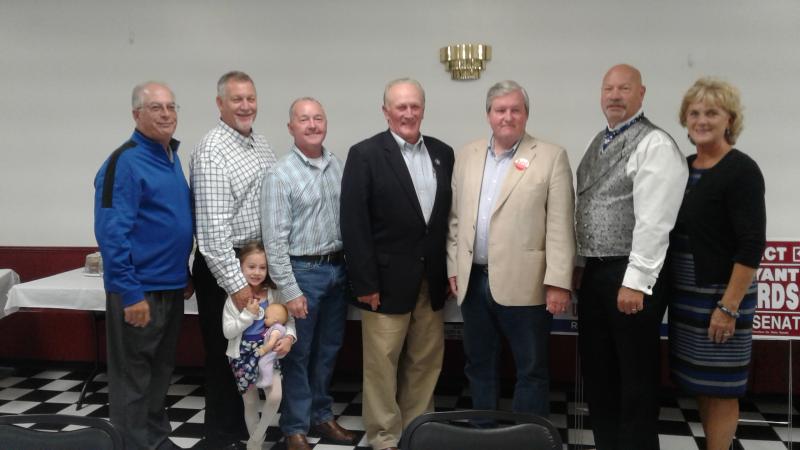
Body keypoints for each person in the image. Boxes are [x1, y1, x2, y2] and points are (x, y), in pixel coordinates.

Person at [575, 64, 688, 450]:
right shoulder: (599, 140)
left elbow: (655, 222)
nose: (614, 95)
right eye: (608, 88)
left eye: (624, 88)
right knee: (600, 377)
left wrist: (635, 282)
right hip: (596, 274)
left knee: (634, 383)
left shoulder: (654, 143)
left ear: (642, 93)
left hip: (631, 277)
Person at [446, 80, 575, 417]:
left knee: (531, 370)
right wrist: (452, 268)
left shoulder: (550, 157)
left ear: (526, 115)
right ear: (488, 115)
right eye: (500, 110)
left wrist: (559, 282)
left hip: (528, 285)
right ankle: (483, 435)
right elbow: (456, 220)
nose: (507, 116)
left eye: (515, 110)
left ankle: (524, 438)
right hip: (474, 282)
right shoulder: (468, 155)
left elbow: (561, 226)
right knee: (479, 365)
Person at [340, 78, 454, 450]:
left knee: (425, 362)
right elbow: (354, 225)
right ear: (385, 110)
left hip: (430, 281)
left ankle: (417, 430)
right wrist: (365, 283)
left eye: (414, 106)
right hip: (383, 284)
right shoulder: (365, 154)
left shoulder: (443, 153)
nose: (408, 113)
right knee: (382, 366)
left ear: (424, 109)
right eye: (400, 106)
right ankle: (385, 437)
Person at [94, 81, 193, 449]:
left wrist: (182, 273)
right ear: (137, 114)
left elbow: (169, 222)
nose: (166, 114)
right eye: (156, 108)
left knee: (159, 373)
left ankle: (156, 439)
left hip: (169, 286)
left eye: (171, 106)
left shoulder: (170, 156)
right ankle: (132, 444)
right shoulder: (124, 162)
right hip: (139, 291)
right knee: (132, 378)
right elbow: (111, 233)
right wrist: (130, 292)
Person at [668, 78, 766, 450]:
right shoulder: (685, 165)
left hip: (722, 297)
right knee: (700, 385)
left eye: (711, 112)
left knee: (723, 389)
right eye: (694, 113)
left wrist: (728, 307)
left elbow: (752, 244)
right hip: (687, 297)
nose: (701, 120)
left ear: (730, 119)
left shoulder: (741, 170)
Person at [191, 70, 287, 449]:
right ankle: (221, 436)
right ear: (220, 104)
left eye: (250, 98)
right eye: (236, 99)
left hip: (255, 263)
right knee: (224, 354)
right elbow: (213, 235)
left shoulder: (260, 143)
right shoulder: (213, 151)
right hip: (226, 267)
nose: (246, 105)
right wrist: (237, 287)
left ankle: (247, 433)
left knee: (251, 348)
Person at [261, 97, 356, 450]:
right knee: (298, 353)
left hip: (336, 269)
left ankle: (321, 414)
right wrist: (289, 290)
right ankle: (295, 427)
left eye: (318, 118)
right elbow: (274, 240)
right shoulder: (280, 173)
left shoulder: (336, 164)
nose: (313, 125)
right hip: (303, 273)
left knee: (329, 349)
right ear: (291, 127)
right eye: (304, 119)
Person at [222, 242, 296, 450]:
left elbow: (288, 321)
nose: (257, 272)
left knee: (275, 395)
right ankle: (257, 446)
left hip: (268, 352)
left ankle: (255, 438)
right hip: (242, 354)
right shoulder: (234, 298)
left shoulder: (274, 294)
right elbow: (228, 332)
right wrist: (248, 315)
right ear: (241, 267)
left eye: (262, 268)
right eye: (251, 267)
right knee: (251, 402)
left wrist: (289, 338)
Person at [256, 303, 290, 389]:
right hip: (273, 351)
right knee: (266, 364)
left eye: (266, 318)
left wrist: (263, 350)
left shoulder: (276, 330)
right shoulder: (277, 327)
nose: (264, 320)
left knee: (262, 362)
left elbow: (271, 343)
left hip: (272, 351)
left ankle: (268, 380)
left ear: (275, 319)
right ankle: (265, 378)